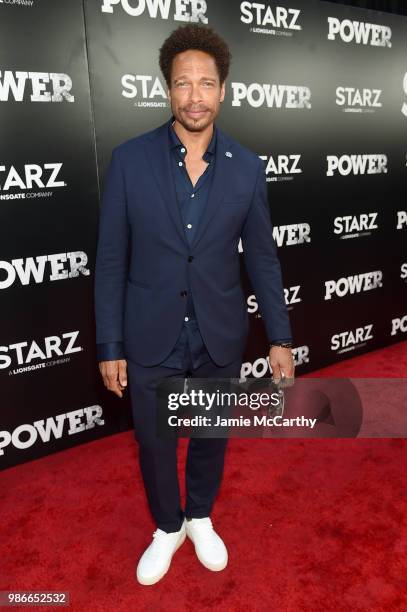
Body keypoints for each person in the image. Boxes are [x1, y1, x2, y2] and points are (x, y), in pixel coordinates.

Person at [94, 23, 294, 586]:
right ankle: (167, 525)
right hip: (149, 330)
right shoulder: (130, 161)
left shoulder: (248, 168)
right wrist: (110, 343)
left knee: (209, 433)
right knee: (155, 441)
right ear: (167, 90)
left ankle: (200, 514)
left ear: (223, 90)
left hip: (218, 331)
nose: (195, 96)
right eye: (183, 83)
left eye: (207, 83)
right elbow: (110, 260)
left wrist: (279, 336)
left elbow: (263, 259)